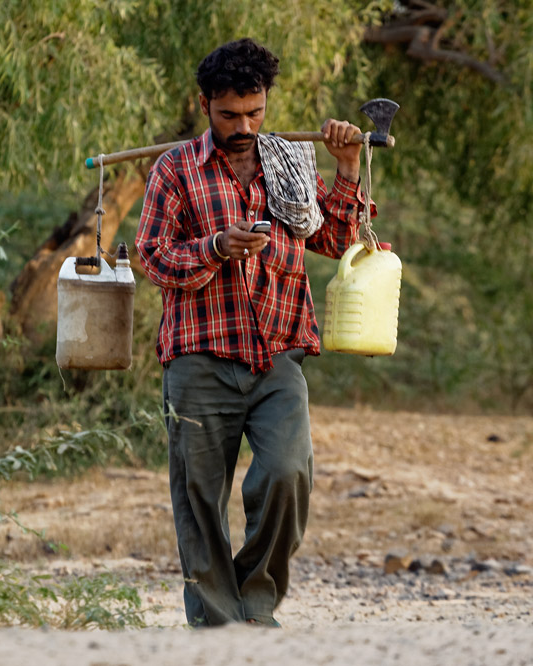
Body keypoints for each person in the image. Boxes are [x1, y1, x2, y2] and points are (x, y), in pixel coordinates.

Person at [135, 37, 374, 628]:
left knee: (289, 474)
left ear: (266, 101)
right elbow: (153, 258)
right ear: (203, 105)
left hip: (278, 357)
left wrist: (346, 167)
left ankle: (254, 599)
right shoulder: (175, 170)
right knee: (199, 500)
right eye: (229, 115)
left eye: (255, 112)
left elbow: (338, 240)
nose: (243, 126)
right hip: (198, 359)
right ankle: (220, 628)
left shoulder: (290, 160)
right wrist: (216, 247)